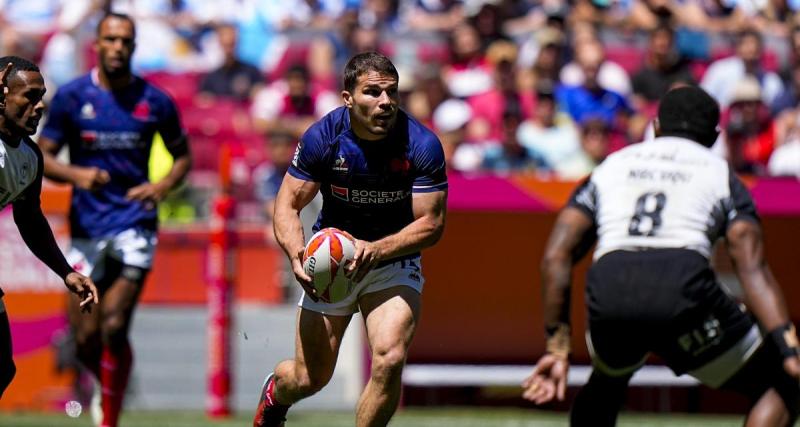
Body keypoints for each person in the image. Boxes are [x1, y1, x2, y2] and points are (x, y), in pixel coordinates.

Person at [521, 85, 800, 426]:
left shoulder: (610, 166)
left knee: (608, 379)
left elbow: (556, 257)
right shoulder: (720, 173)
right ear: (714, 137)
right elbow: (751, 267)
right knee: (782, 386)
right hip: (681, 285)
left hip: (611, 286)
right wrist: (786, 344)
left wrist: (557, 346)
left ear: (654, 128)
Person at [253, 51, 448, 427]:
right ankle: (276, 394)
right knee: (309, 378)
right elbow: (287, 204)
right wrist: (297, 255)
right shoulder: (323, 137)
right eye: (373, 93)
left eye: (391, 93)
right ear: (348, 99)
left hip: (392, 260)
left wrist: (378, 249)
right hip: (332, 263)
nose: (385, 102)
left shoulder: (421, 144)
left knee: (389, 358)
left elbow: (432, 224)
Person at [38, 13, 191, 427]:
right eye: (111, 39)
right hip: (87, 227)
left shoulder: (155, 101)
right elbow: (43, 157)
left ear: (134, 46)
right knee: (85, 336)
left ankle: (111, 412)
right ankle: (105, 382)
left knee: (115, 323)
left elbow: (182, 157)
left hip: (134, 223)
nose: (118, 47)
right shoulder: (71, 97)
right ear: (98, 44)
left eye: (126, 40)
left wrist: (160, 188)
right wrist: (77, 175)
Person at [0, 56, 98, 398]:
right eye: (28, 96)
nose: (39, 105)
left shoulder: (29, 157)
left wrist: (66, 272)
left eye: (41, 95)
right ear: (1, 95)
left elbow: (29, 219)